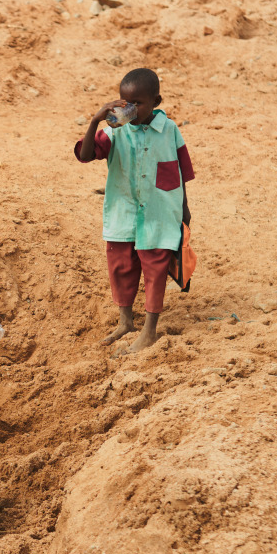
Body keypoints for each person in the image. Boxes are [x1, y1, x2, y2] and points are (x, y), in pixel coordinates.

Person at [74, 67, 195, 352]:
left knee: (155, 269)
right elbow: (84, 155)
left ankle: (149, 331)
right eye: (125, 102)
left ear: (157, 100)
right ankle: (125, 322)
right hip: (123, 214)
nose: (130, 109)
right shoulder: (114, 134)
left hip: (159, 214)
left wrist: (185, 210)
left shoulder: (170, 131)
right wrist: (95, 121)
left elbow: (180, 172)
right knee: (122, 269)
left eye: (138, 103)